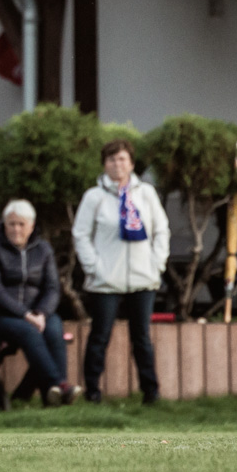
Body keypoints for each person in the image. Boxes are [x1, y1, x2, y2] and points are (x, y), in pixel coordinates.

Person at [73, 139, 170, 404]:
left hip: (142, 278)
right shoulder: (94, 197)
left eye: (123, 159)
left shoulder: (146, 193)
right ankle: (92, 391)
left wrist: (156, 264)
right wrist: (94, 268)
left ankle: (151, 392)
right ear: (105, 164)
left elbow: (161, 230)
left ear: (132, 163)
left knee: (141, 338)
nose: (118, 165)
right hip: (106, 280)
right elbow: (81, 234)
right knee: (100, 335)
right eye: (112, 160)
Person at [0, 200, 74, 407]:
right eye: (11, 224)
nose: (16, 229)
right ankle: (57, 385)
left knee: (54, 327)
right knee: (28, 331)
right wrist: (25, 314)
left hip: (35, 314)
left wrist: (41, 313)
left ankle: (53, 397)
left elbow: (52, 288)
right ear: (4, 224)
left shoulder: (43, 249)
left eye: (21, 224)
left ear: (31, 226)